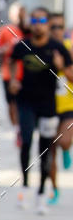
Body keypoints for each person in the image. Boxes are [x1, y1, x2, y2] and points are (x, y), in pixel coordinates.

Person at [9, 6, 73, 213]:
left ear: (47, 24)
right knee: (26, 142)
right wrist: (13, 82)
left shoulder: (57, 47)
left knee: (45, 149)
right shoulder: (22, 46)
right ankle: (26, 184)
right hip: (26, 102)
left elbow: (71, 75)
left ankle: (42, 192)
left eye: (42, 21)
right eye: (34, 21)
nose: (38, 25)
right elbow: (11, 62)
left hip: (48, 105)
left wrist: (61, 65)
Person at [47, 12, 73, 203]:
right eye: (53, 27)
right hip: (47, 105)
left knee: (63, 141)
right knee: (49, 151)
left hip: (67, 104)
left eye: (60, 27)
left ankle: (67, 148)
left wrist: (61, 66)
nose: (56, 31)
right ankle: (54, 189)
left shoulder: (69, 49)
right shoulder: (42, 48)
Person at [0, 3, 25, 138]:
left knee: (23, 102)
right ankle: (17, 129)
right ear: (11, 15)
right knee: (12, 103)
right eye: (17, 13)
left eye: (22, 13)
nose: (20, 16)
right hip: (9, 73)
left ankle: (23, 126)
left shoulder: (28, 31)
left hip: (26, 73)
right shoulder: (5, 30)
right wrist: (2, 51)